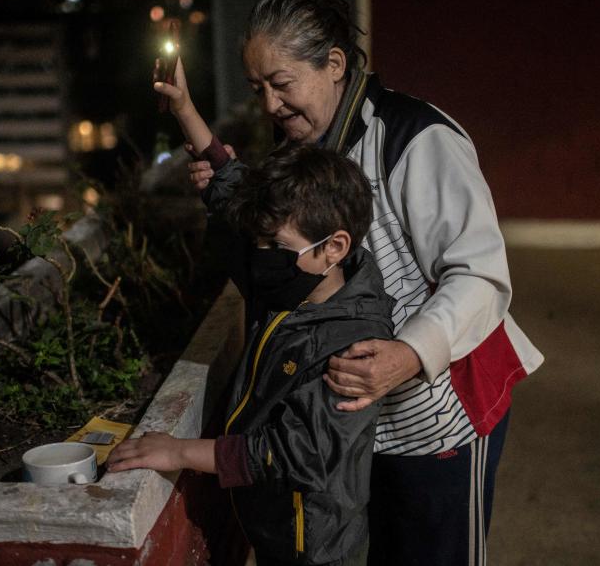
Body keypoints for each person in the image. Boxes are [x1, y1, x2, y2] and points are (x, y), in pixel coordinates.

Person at [157, 0, 545, 565]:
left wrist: (408, 355)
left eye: (281, 83)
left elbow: (481, 276)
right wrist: (202, 137)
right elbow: (267, 215)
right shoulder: (306, 139)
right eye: (257, 88)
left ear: (334, 63)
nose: (269, 104)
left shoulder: (417, 137)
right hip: (361, 422)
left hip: (440, 416)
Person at [108, 143, 395, 566]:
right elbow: (234, 205)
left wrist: (182, 451)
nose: (261, 257)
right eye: (257, 242)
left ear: (334, 246)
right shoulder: (297, 281)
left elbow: (300, 452)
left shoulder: (355, 347)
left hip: (313, 545)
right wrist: (208, 147)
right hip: (275, 527)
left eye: (274, 245)